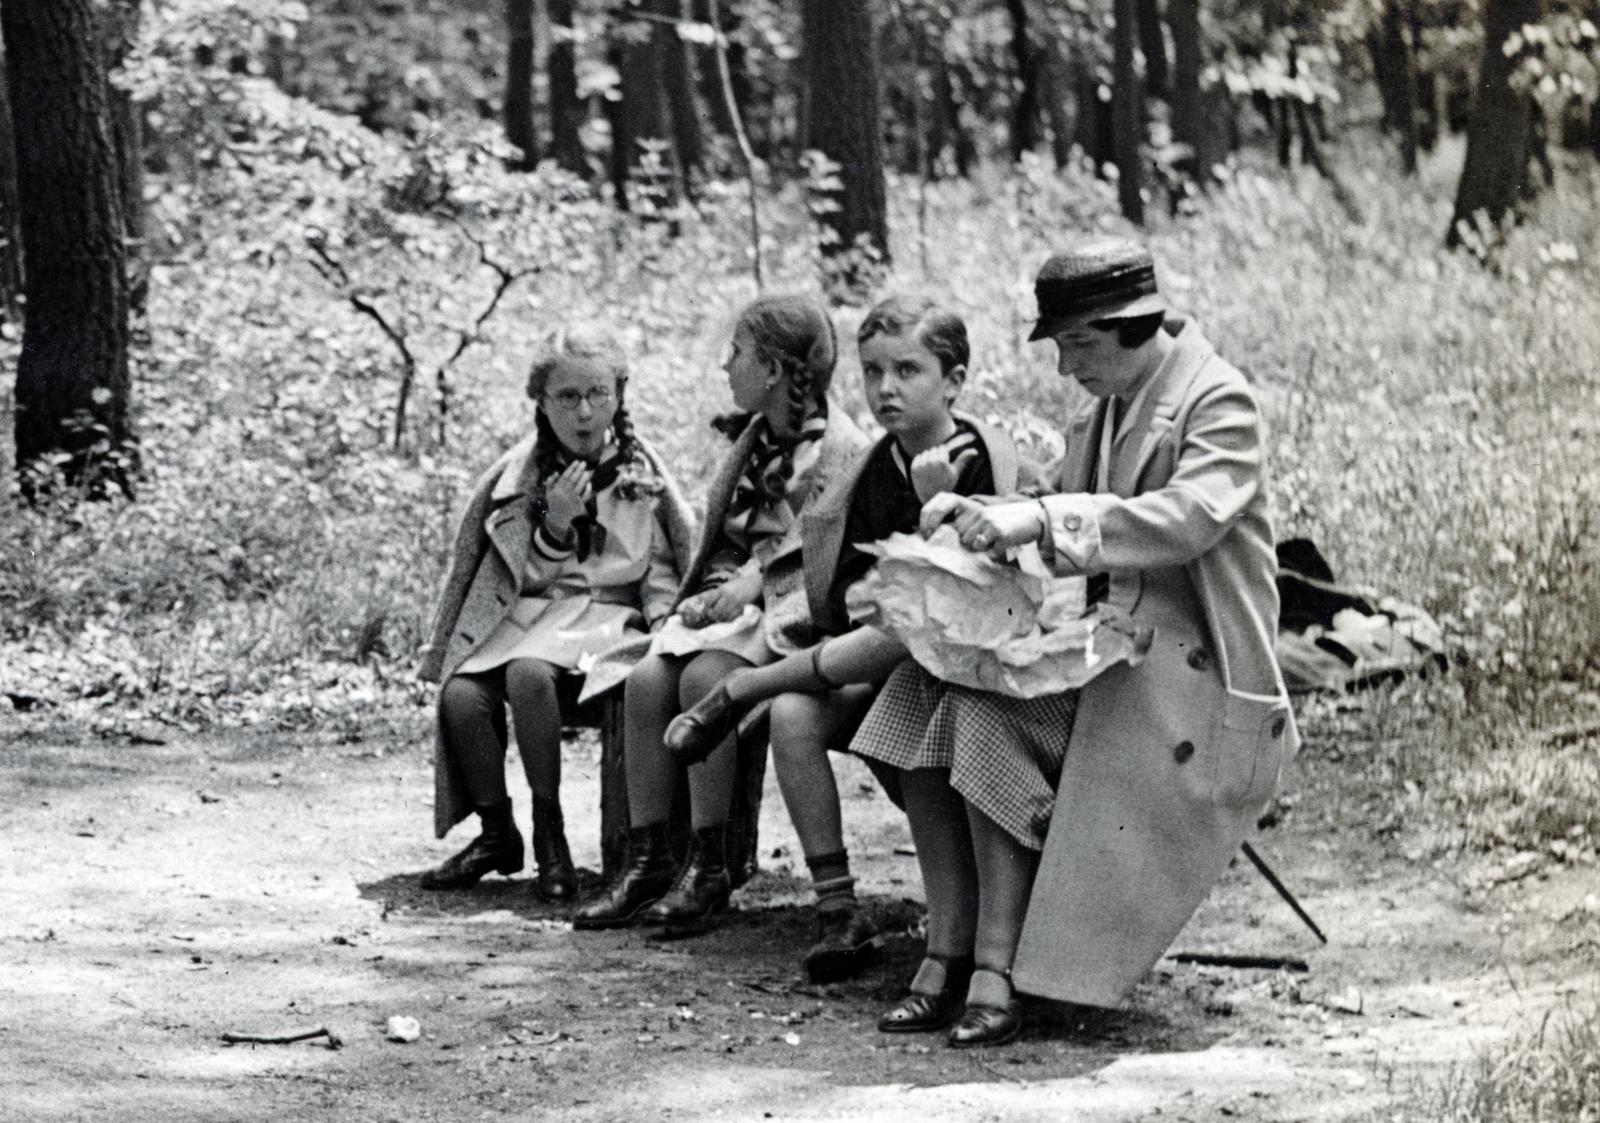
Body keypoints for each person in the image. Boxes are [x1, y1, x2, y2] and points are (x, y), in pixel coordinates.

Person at [919, 234, 1300, 1026]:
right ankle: (956, 944)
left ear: (1133, 326)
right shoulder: (1106, 406)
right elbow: (1058, 510)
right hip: (1114, 658)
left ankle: (999, 964)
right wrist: (976, 509)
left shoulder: (1218, 401)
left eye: (1078, 344)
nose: (1065, 367)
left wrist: (1042, 517)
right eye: (1059, 347)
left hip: (1195, 689)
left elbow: (1185, 519)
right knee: (917, 694)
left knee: (983, 718)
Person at [667, 296, 1031, 981]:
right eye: (872, 372)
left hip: (966, 674)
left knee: (905, 624)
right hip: (879, 665)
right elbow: (842, 589)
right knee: (794, 714)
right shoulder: (873, 469)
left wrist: (934, 507)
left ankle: (744, 686)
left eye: (908, 370)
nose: (886, 388)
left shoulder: (983, 458)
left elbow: (966, 600)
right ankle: (838, 907)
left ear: (953, 381)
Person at [573, 295, 869, 934]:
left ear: (774, 370)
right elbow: (721, 544)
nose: (723, 365)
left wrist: (752, 586)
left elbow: (827, 562)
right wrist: (708, 593)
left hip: (796, 617)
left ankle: (710, 865)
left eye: (736, 352)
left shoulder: (843, 453)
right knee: (645, 680)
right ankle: (648, 859)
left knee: (706, 680)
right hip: (731, 611)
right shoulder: (754, 443)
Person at [417, 327, 696, 900]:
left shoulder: (640, 474)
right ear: (541, 403)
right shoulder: (525, 476)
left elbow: (663, 567)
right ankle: (498, 832)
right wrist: (556, 523)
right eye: (567, 397)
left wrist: (666, 626)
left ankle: (551, 835)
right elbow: (511, 575)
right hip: (532, 616)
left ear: (619, 395)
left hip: (607, 620)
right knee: (462, 696)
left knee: (527, 673)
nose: (584, 412)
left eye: (597, 394)